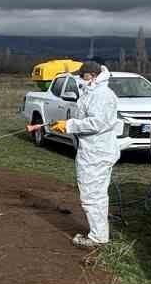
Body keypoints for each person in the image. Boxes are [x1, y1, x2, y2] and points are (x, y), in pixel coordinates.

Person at [35, 61, 121, 247]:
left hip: (97, 152)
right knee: (96, 194)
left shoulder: (101, 95)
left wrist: (70, 125)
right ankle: (99, 233)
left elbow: (97, 123)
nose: (79, 78)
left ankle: (98, 238)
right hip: (94, 150)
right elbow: (87, 118)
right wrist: (68, 123)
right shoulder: (93, 92)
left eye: (82, 75)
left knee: (92, 195)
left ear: (91, 75)